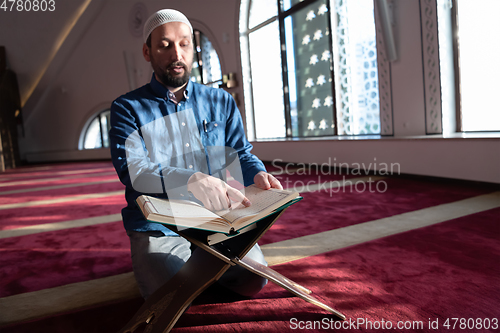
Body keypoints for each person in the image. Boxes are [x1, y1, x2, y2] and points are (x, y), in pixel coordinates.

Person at [109, 9, 282, 300]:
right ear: (147, 51)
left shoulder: (221, 101)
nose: (176, 53)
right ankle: (197, 274)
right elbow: (134, 172)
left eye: (184, 43)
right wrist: (190, 180)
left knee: (253, 280)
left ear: (193, 47)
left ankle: (206, 273)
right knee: (169, 294)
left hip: (216, 218)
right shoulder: (127, 108)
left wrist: (258, 173)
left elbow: (240, 152)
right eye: (165, 45)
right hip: (160, 224)